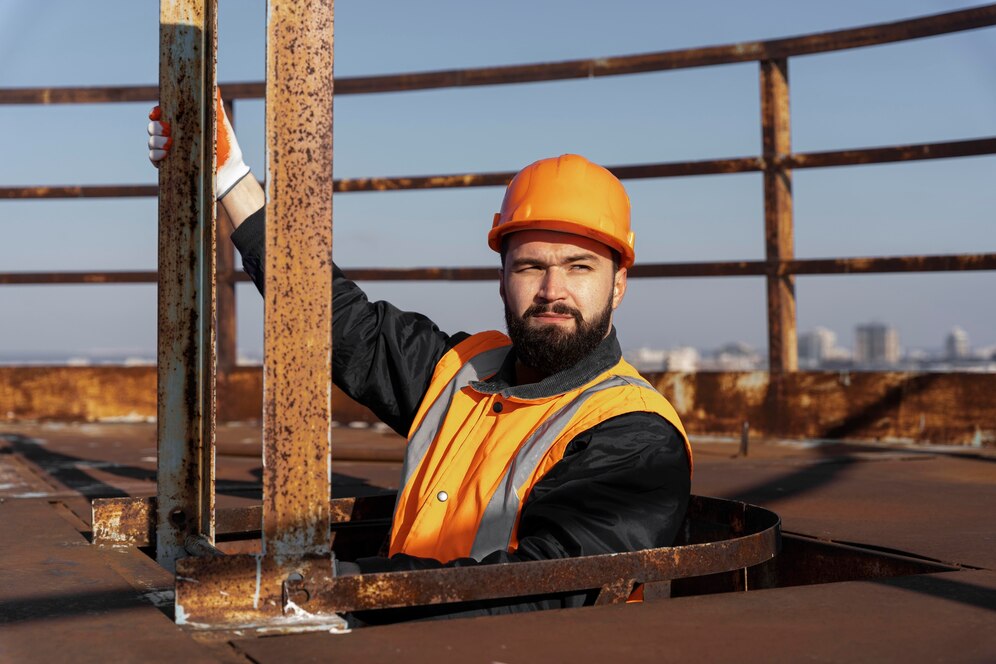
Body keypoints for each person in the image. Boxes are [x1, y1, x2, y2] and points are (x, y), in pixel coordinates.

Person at [148, 91, 692, 620]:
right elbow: (340, 323)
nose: (553, 289)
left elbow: (545, 588)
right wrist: (230, 181)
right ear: (502, 279)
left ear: (618, 283)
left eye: (579, 267)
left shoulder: (635, 433)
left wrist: (340, 591)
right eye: (530, 267)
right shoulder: (461, 371)